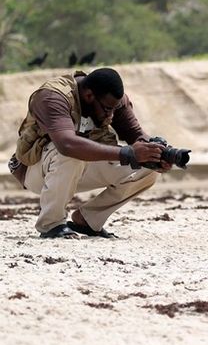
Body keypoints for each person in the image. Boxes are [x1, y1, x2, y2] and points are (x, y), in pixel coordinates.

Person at [7, 68, 171, 238]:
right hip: (36, 170)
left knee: (147, 167)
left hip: (76, 167)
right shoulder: (54, 97)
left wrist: (158, 153)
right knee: (72, 152)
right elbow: (66, 144)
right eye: (108, 109)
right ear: (89, 96)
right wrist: (128, 153)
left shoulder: (111, 100)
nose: (112, 114)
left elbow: (138, 137)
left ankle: (87, 220)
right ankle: (51, 224)